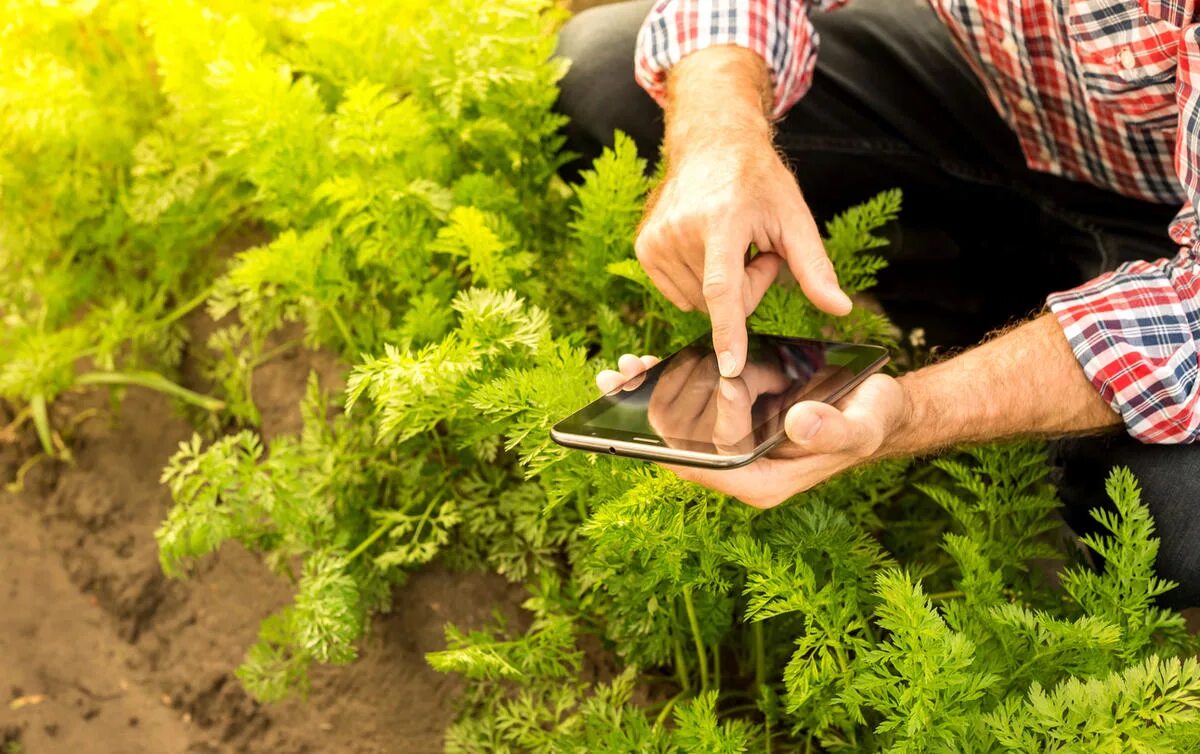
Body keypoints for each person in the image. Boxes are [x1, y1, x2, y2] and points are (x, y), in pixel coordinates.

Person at [556, 0, 1200, 607]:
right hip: (1007, 104)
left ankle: (1024, 330)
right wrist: (719, 138)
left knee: (1170, 517)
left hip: (1171, 222)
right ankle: (1004, 302)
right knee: (602, 72)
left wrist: (914, 409)